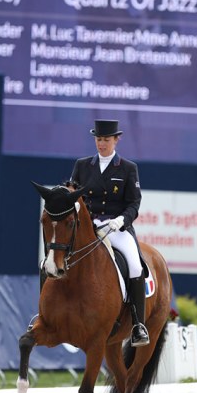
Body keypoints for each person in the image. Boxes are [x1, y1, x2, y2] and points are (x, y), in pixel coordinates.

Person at [70, 119, 149, 347]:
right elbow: (73, 195)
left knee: (135, 266)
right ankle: (45, 313)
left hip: (116, 228)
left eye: (106, 139)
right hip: (89, 229)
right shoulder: (82, 165)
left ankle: (137, 325)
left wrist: (121, 220)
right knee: (54, 258)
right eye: (98, 139)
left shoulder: (127, 168)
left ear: (116, 140)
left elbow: (134, 203)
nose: (101, 144)